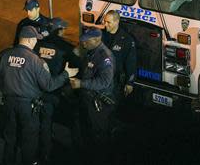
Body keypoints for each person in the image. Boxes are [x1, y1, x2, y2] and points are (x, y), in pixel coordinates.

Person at [0, 26, 78, 165]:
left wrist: (8, 89)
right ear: (31, 40)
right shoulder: (36, 61)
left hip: (8, 103)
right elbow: (49, 85)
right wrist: (66, 74)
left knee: (10, 138)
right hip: (28, 106)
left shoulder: (4, 55)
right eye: (35, 39)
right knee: (29, 139)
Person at [34, 17, 82, 163]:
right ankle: (75, 154)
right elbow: (78, 67)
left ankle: (43, 155)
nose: (64, 31)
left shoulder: (37, 45)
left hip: (38, 92)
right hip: (58, 93)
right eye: (63, 29)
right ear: (59, 30)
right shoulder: (65, 48)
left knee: (42, 125)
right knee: (74, 121)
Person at [70, 27, 115, 165]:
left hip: (98, 103)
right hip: (87, 99)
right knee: (83, 131)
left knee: (98, 135)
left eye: (86, 41)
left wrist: (81, 84)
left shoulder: (104, 56)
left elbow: (104, 81)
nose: (83, 43)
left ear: (97, 39)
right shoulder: (91, 51)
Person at [102, 10, 137, 103]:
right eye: (104, 21)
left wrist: (130, 83)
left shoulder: (127, 40)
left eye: (108, 22)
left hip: (115, 81)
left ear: (116, 22)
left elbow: (131, 62)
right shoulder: (100, 35)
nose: (105, 24)